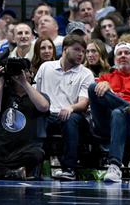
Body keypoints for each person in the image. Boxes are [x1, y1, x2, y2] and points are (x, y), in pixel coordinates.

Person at [89, 41, 130, 183]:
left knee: (118, 113)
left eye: (127, 53)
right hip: (106, 124)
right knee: (92, 87)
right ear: (114, 60)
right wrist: (107, 88)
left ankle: (114, 166)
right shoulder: (106, 78)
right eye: (119, 53)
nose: (123, 56)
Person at [34, 35, 94, 181]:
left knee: (71, 119)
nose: (81, 54)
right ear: (65, 49)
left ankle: (69, 168)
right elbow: (36, 93)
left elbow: (84, 103)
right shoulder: (46, 67)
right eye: (77, 50)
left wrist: (71, 107)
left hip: (74, 114)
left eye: (83, 51)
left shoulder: (86, 73)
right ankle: (33, 166)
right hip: (48, 113)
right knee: (36, 118)